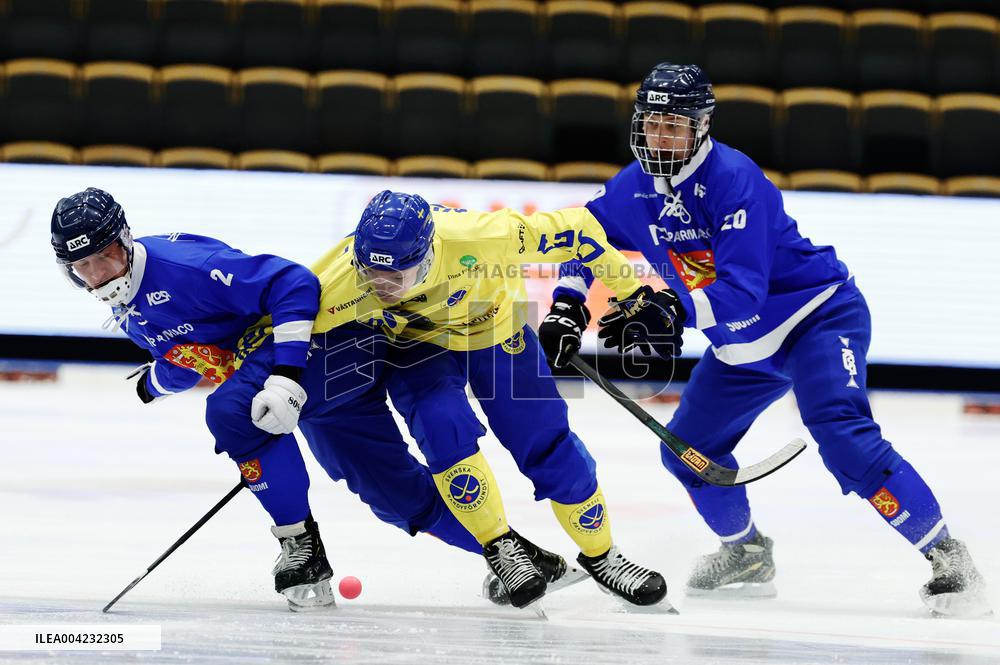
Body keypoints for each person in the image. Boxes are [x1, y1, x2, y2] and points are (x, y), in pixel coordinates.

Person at [537, 63, 988, 616]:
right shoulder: (631, 188)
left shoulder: (735, 179)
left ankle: (948, 556)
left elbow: (744, 292)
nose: (660, 137)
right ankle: (747, 552)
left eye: (675, 126)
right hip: (742, 349)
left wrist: (670, 308)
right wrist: (565, 305)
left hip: (816, 319)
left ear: (703, 125)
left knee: (843, 436)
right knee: (687, 454)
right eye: (652, 123)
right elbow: (582, 238)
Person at [50, 187, 490, 611]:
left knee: (231, 412)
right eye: (81, 266)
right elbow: (190, 355)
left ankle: (301, 547)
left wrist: (284, 376)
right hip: (314, 378)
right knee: (393, 496)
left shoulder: (186, 266)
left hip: (331, 348)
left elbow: (294, 284)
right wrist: (155, 385)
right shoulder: (127, 303)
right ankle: (509, 553)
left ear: (125, 238)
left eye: (103, 256)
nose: (96, 275)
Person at [311, 190, 675, 610]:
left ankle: (603, 555)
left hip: (496, 325)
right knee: (441, 423)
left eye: (398, 276)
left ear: (428, 256)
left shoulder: (483, 235)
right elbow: (274, 319)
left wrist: (632, 293)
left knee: (545, 440)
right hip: (418, 343)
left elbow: (579, 228)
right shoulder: (336, 278)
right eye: (371, 275)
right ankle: (500, 547)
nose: (383, 286)